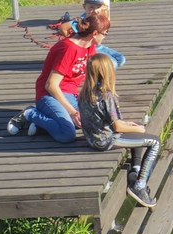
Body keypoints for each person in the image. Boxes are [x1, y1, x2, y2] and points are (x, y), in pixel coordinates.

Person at [8, 14, 111, 143]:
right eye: (105, 33)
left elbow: (93, 77)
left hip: (70, 94)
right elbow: (51, 85)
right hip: (50, 94)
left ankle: (44, 124)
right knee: (67, 134)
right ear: (95, 33)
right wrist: (73, 112)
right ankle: (30, 114)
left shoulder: (89, 47)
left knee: (94, 122)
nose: (106, 36)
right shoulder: (69, 49)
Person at [78, 54, 160, 208]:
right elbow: (118, 128)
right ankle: (140, 186)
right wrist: (139, 128)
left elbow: (106, 119)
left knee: (135, 128)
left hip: (91, 138)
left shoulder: (85, 93)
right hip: (105, 140)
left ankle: (135, 169)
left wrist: (132, 125)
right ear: (108, 72)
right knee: (155, 142)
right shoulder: (106, 95)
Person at [60, 0, 125, 68]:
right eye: (91, 7)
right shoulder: (82, 20)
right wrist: (70, 40)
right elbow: (62, 27)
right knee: (112, 64)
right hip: (88, 47)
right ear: (84, 7)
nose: (95, 10)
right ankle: (96, 73)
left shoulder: (100, 18)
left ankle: (99, 70)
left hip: (98, 46)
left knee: (121, 59)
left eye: (98, 7)